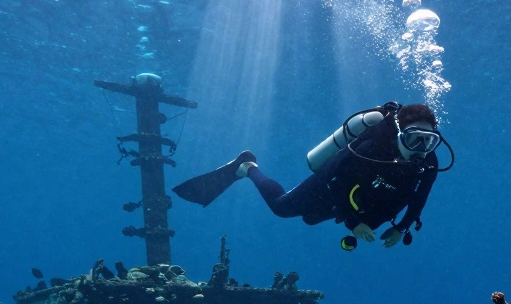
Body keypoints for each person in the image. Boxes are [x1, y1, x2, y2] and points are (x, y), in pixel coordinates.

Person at [173, 102, 451, 250]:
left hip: (360, 198)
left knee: (310, 218)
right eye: (415, 139)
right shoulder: (372, 146)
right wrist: (353, 222)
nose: (422, 149)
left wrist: (401, 227)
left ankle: (340, 215)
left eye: (429, 141)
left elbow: (420, 199)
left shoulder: (428, 162)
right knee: (281, 208)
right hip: (332, 185)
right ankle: (248, 167)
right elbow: (333, 174)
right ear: (401, 133)